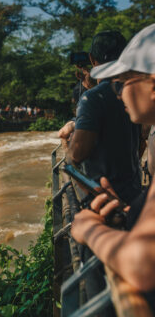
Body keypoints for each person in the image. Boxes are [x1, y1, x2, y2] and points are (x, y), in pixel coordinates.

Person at [71, 23, 155, 294]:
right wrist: (128, 214)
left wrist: (90, 231)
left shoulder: (93, 99)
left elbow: (144, 266)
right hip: (127, 192)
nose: (118, 95)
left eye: (121, 83)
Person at [65, 31, 142, 204]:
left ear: (92, 59)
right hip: (134, 193)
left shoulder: (92, 98)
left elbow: (76, 156)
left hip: (106, 203)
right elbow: (141, 143)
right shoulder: (135, 92)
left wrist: (67, 143)